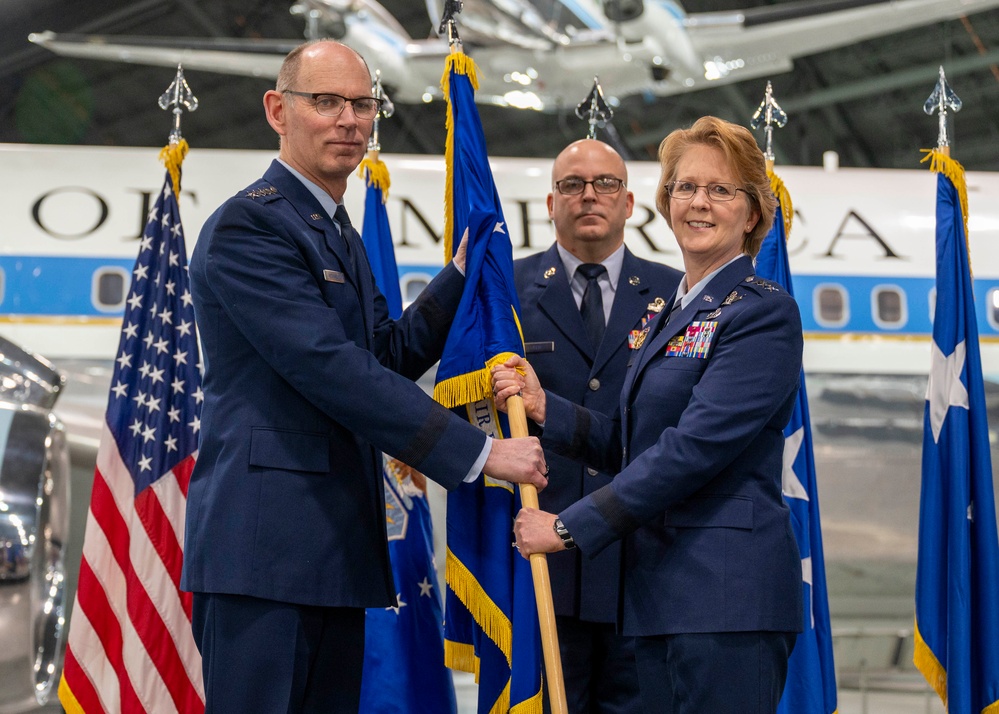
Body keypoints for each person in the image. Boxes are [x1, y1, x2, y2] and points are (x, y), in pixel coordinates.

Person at [181, 40, 548, 714]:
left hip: (328, 550)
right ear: (277, 110)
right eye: (325, 101)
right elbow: (331, 367)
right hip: (265, 551)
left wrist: (461, 276)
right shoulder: (250, 226)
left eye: (361, 104)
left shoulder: (335, 232)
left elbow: (382, 352)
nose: (349, 119)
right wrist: (480, 453)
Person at [495, 116, 804, 714]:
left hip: (726, 599)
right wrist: (544, 408)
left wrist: (566, 527)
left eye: (721, 190)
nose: (699, 203)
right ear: (664, 202)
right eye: (685, 187)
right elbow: (633, 441)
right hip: (659, 598)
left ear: (753, 211)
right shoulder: (670, 313)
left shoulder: (761, 314)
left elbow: (692, 449)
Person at [515, 139, 681, 713]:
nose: (589, 195)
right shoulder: (505, 291)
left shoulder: (676, 295)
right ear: (550, 202)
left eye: (605, 183)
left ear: (630, 201)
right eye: (572, 185)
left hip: (640, 565)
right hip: (538, 566)